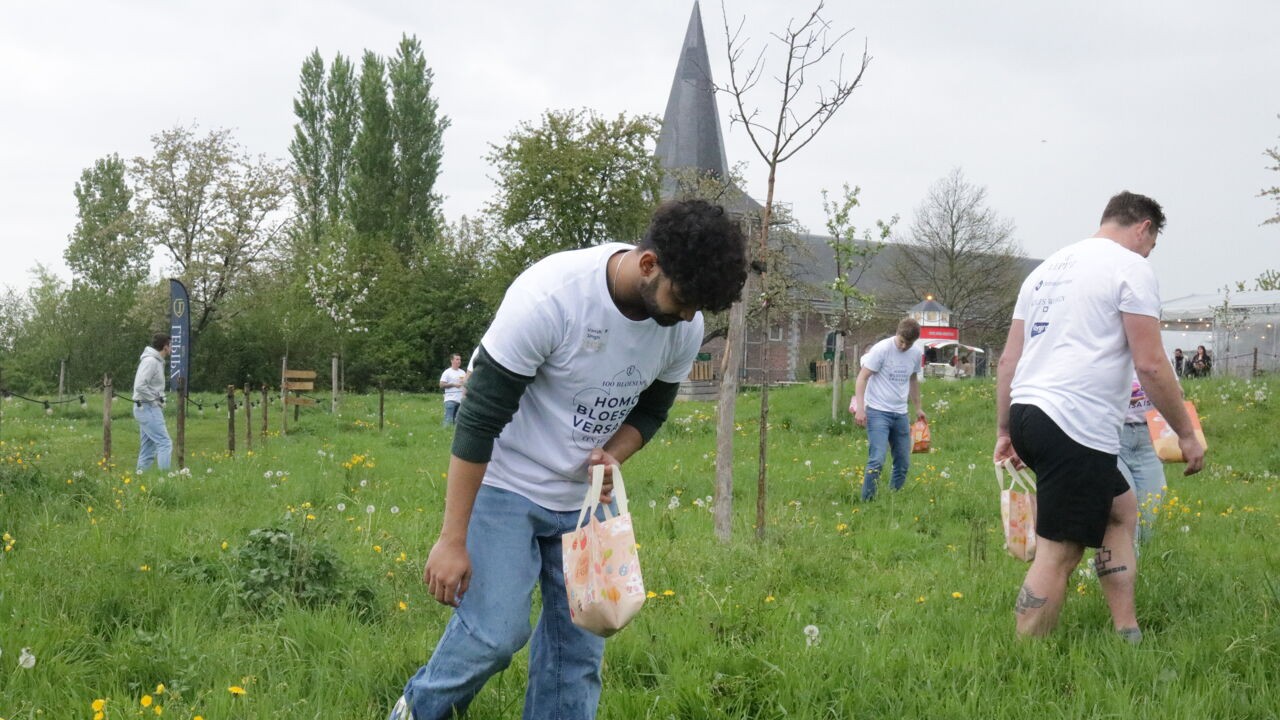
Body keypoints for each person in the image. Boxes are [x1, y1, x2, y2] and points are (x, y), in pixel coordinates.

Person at [391, 199, 748, 720]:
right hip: (507, 482)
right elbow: (478, 421)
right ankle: (418, 710)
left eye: (698, 308)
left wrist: (614, 454)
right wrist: (451, 539)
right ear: (648, 265)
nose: (688, 317)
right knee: (494, 635)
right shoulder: (553, 297)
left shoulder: (682, 327)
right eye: (683, 299)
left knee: (578, 651)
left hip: (583, 503)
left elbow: (652, 410)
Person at [994, 191, 1204, 643]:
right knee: (1060, 550)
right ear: (1144, 227)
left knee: (1119, 510)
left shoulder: (1045, 271)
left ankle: (1126, 629)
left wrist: (1006, 429)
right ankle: (1024, 659)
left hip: (1030, 410)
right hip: (1075, 421)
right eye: (1151, 244)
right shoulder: (1130, 268)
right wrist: (1186, 432)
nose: (1148, 253)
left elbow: (1009, 361)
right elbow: (1150, 364)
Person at [853, 318, 926, 502]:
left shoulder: (915, 354)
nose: (903, 347)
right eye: (901, 341)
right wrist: (861, 409)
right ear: (897, 333)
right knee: (877, 459)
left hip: (900, 413)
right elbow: (862, 378)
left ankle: (893, 499)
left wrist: (918, 408)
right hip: (877, 411)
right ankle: (867, 501)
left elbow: (913, 380)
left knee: (903, 462)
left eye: (908, 344)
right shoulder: (881, 349)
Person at [1118, 372, 1168, 543]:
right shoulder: (1100, 352)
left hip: (1149, 435)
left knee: (1150, 518)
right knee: (1125, 514)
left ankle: (1147, 567)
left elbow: (1176, 391)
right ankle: (1126, 566)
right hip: (1113, 436)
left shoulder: (1155, 351)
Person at [132, 333, 172, 475]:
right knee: (164, 443)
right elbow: (140, 386)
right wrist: (155, 400)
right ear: (165, 347)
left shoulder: (157, 361)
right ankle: (165, 480)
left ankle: (140, 479)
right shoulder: (151, 361)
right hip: (146, 407)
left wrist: (159, 398)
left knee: (148, 448)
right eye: (170, 345)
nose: (171, 348)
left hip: (147, 407)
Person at [439, 353, 468, 426]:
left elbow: (466, 384)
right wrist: (453, 384)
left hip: (460, 400)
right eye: (457, 359)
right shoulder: (447, 372)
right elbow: (441, 385)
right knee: (448, 420)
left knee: (457, 422)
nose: (459, 361)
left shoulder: (463, 372)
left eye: (460, 359)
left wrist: (464, 383)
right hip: (450, 399)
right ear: (452, 361)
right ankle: (444, 432)